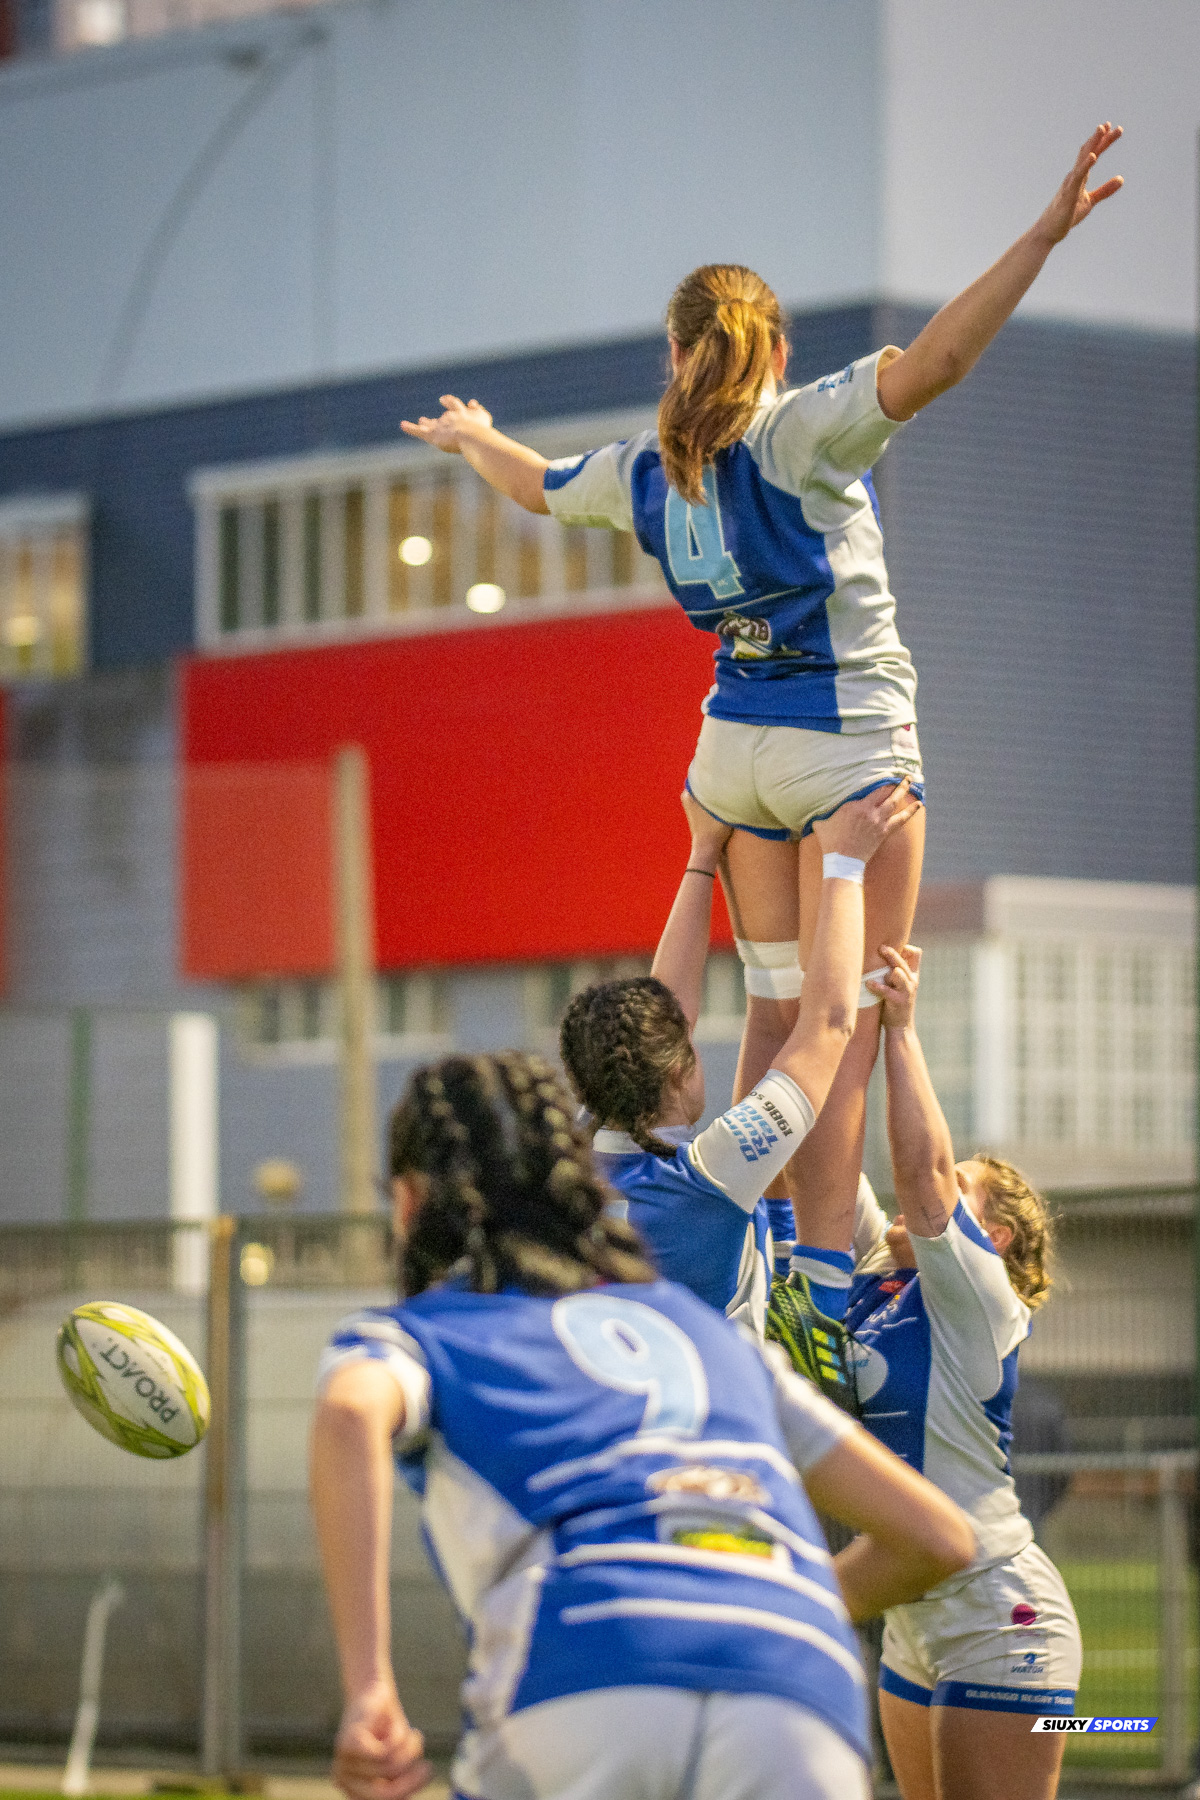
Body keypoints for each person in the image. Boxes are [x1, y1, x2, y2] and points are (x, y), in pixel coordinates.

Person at [399, 125, 1124, 1264]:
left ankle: (760, 1241)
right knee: (854, 1023)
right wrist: (1040, 236)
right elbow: (934, 364)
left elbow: (535, 489)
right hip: (844, 751)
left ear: (676, 356)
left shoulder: (645, 467)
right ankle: (822, 1280)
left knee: (779, 1010)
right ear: (773, 346)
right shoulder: (798, 429)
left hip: (733, 756)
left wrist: (478, 436)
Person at [311, 1049, 976, 1800]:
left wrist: (369, 1689)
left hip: (589, 1664)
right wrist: (750, 1592)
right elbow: (939, 1537)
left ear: (408, 1201)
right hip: (798, 1685)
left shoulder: (428, 1331)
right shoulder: (708, 1334)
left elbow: (348, 1410)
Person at [795, 944, 1079, 1800]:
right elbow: (827, 1168)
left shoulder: (981, 1300)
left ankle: (1115, 1728)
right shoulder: (887, 1276)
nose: (937, 1197)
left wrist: (903, 1028)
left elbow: (921, 1176)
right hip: (914, 1617)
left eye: (966, 1193)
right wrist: (839, 1012)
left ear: (988, 1243)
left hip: (1001, 1614)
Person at [560, 781, 915, 1339]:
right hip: (724, 1413)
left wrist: (704, 855)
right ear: (678, 1070)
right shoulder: (708, 1176)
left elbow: (664, 1013)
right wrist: (844, 863)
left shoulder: (572, 1156)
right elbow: (828, 1025)